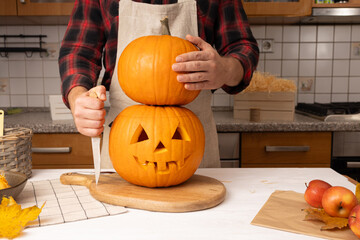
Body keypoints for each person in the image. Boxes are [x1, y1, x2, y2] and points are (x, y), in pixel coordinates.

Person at [59, 0, 259, 169]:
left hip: (190, 145)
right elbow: (78, 52)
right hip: (127, 141)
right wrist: (78, 97)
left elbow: (242, 47)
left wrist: (225, 69)